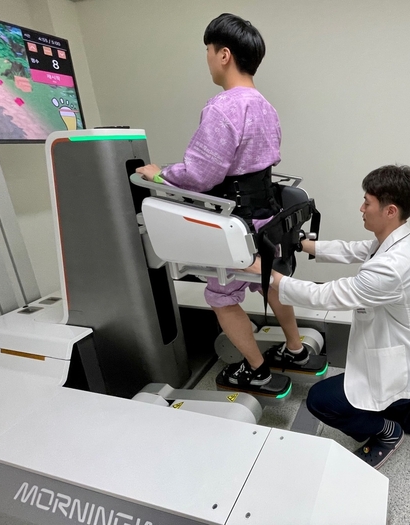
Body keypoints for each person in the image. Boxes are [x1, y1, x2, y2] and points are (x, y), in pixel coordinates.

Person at [253, 165, 410, 469]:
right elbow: (354, 249)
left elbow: (326, 295)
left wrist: (268, 276)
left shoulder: (391, 267)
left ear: (390, 211)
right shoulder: (394, 239)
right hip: (403, 349)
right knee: (382, 404)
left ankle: (386, 434)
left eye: (367, 202)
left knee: (321, 401)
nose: (361, 208)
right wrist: (301, 244)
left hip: (401, 363)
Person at [136, 13, 311, 389]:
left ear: (224, 55)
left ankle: (257, 370)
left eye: (208, 51)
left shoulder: (222, 107)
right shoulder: (265, 106)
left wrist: (159, 174)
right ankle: (296, 350)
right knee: (270, 282)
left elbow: (200, 174)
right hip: (267, 217)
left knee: (220, 296)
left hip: (235, 223)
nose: (208, 58)